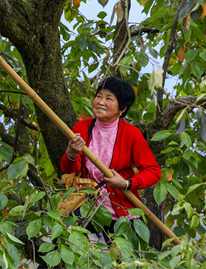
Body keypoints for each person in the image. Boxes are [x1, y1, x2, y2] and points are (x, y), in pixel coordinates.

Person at [60, 76, 161, 242]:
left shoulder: (131, 134)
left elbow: (154, 171)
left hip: (122, 210)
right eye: (99, 96)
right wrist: (71, 152)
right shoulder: (82, 127)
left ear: (122, 108)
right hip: (87, 205)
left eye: (109, 98)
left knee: (130, 259)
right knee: (62, 242)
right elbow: (68, 169)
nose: (100, 101)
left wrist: (126, 183)